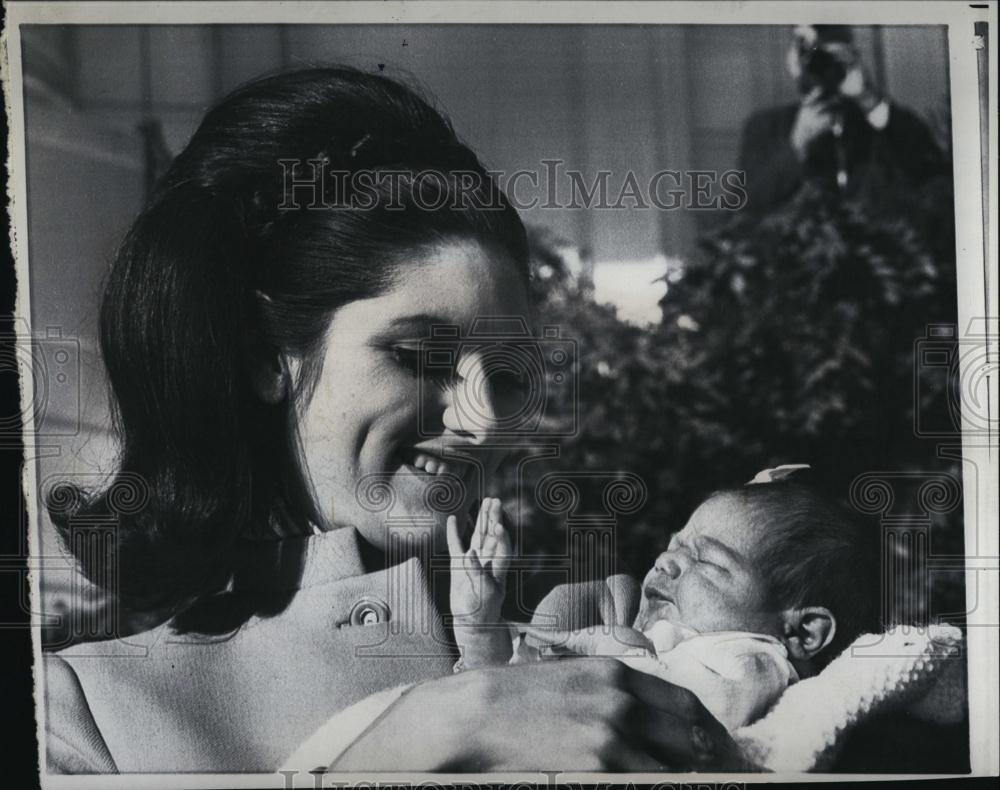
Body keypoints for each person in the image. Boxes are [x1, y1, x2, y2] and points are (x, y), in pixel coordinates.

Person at [41, 67, 745, 774]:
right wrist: (401, 746)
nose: (481, 420)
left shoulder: (607, 644)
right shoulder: (86, 714)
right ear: (262, 355)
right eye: (419, 355)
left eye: (505, 376)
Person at [446, 472, 881, 733]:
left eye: (706, 560)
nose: (666, 561)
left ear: (801, 631)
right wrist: (482, 629)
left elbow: (700, 714)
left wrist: (622, 651)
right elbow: (512, 704)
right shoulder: (668, 641)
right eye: (674, 546)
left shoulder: (754, 662)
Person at [738, 25, 946, 215]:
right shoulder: (765, 127)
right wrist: (797, 145)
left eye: (831, 57)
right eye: (809, 55)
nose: (821, 67)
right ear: (792, 61)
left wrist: (870, 100)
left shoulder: (881, 123)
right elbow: (744, 211)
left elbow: (932, 178)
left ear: (853, 56)